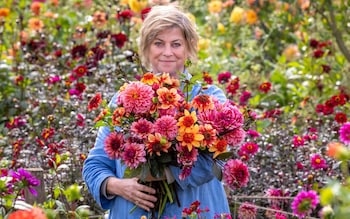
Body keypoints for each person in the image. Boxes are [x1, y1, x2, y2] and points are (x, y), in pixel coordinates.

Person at [82, 4, 231, 219]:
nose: (168, 52)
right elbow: (96, 164)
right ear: (146, 48)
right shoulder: (126, 98)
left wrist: (164, 174)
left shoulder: (209, 99)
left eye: (176, 44)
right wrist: (118, 185)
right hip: (132, 212)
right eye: (158, 43)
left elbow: (216, 160)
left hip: (193, 210)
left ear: (189, 48)